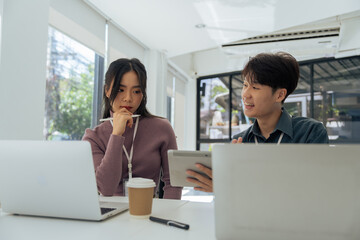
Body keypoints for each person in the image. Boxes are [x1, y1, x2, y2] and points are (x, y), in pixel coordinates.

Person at [186, 52, 329, 192]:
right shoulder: (240, 141)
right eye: (245, 85)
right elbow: (235, 204)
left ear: (279, 95)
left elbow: (315, 190)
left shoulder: (309, 133)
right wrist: (223, 187)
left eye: (255, 87)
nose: (245, 94)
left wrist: (236, 184)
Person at [82, 58, 182, 199]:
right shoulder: (93, 137)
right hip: (111, 214)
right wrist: (116, 134)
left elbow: (173, 183)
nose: (128, 98)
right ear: (107, 90)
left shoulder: (162, 128)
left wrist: (167, 215)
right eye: (121, 90)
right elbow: (106, 188)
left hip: (150, 210)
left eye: (136, 91)